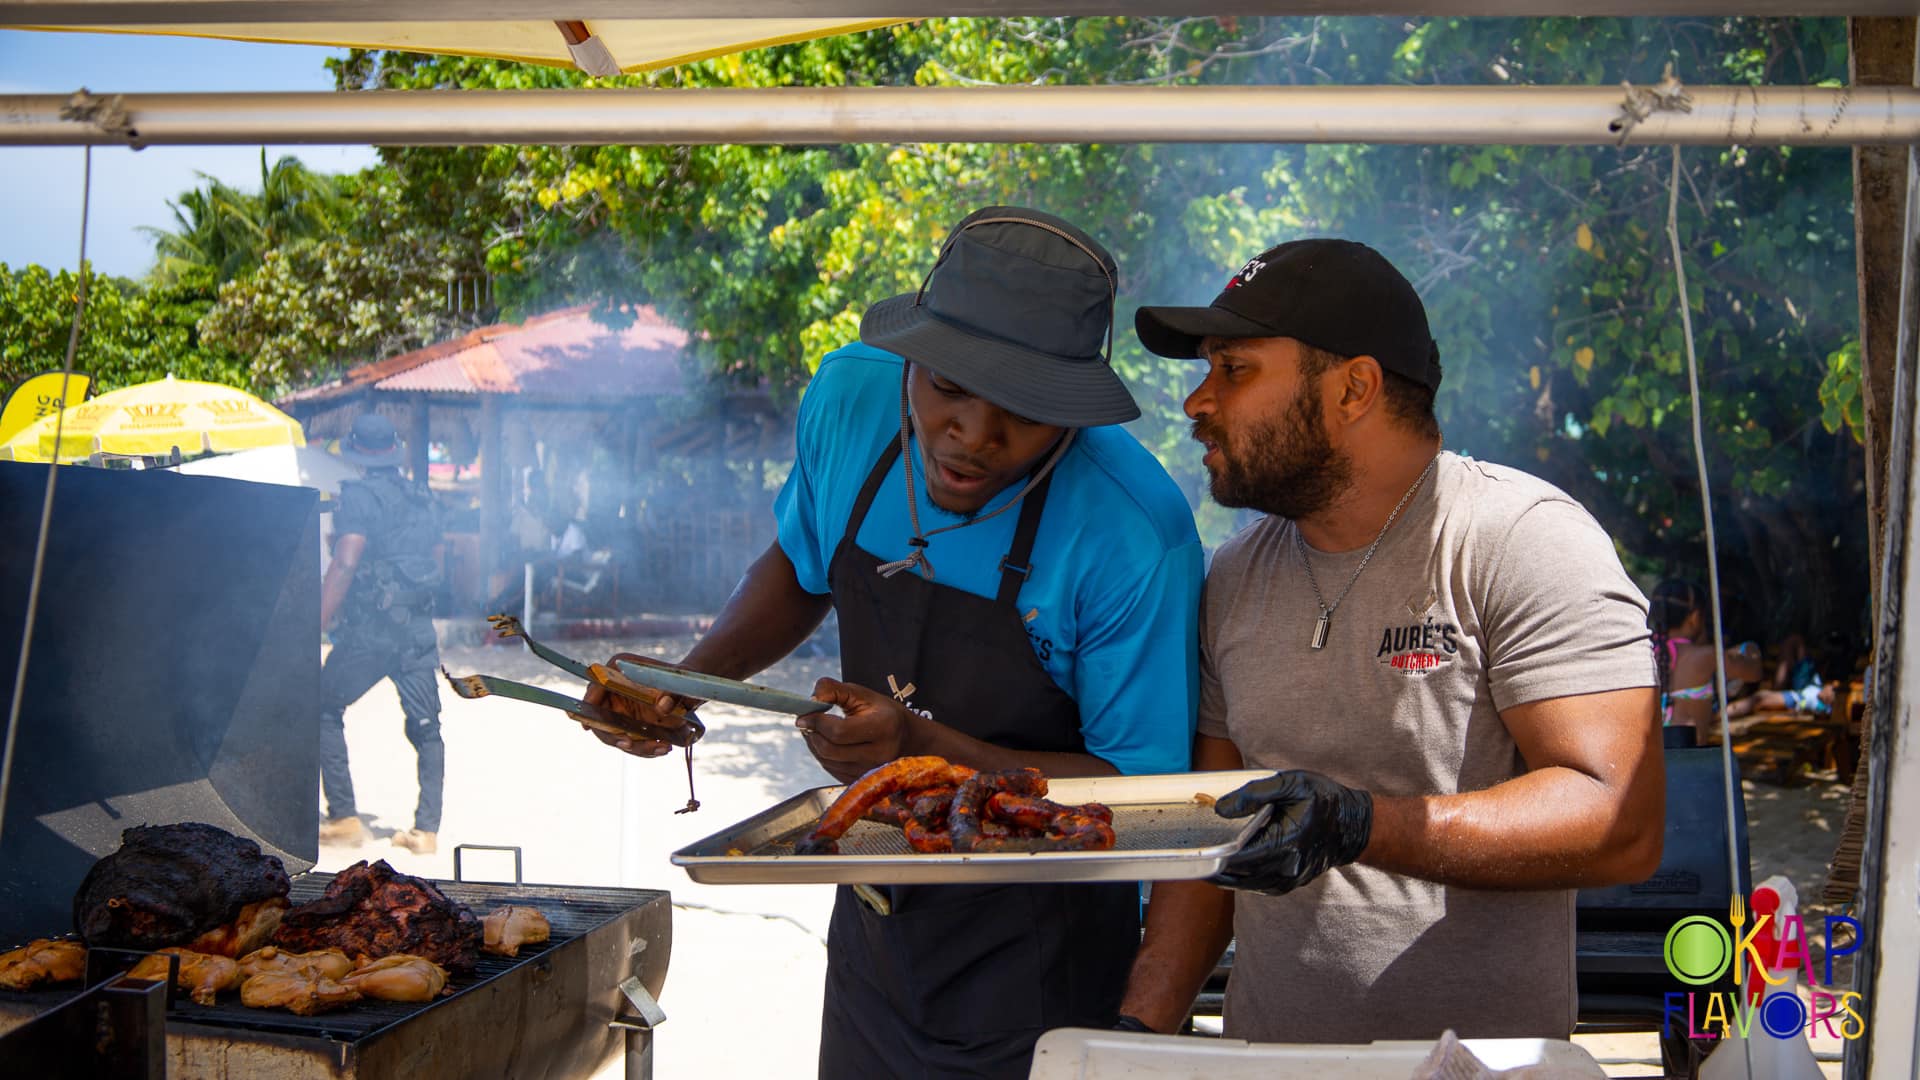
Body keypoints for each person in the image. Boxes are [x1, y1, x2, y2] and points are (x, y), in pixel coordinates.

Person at [586, 206, 1204, 1077]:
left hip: (1040, 961)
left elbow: (1145, 800)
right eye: (948, 386)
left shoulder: (1133, 535)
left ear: (1071, 410)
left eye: (1022, 410)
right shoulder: (849, 402)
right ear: (910, 357)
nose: (974, 437)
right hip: (876, 925)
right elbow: (801, 566)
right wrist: (687, 682)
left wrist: (923, 749)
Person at [1112, 238, 1666, 1043]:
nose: (1197, 401)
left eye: (1234, 371)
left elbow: (1621, 822)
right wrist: (1143, 1028)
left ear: (1355, 388)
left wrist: (1362, 826)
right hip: (1267, 1067)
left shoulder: (1519, 540)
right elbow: (1215, 843)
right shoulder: (1232, 578)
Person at [317, 412, 447, 855]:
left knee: (320, 705)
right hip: (416, 630)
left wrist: (315, 620)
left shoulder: (356, 496)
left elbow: (347, 560)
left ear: (357, 455)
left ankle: (344, 818)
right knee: (427, 728)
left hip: (370, 634)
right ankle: (426, 831)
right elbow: (436, 561)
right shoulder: (422, 497)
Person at [1647, 578, 1766, 733]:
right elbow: (1755, 672)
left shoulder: (1643, 652)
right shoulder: (1707, 656)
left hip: (1651, 755)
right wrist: (1749, 648)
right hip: (1693, 755)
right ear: (1695, 617)